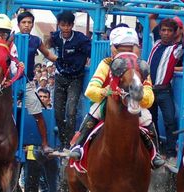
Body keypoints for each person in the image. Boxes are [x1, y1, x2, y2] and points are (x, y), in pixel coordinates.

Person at [68, 27, 165, 169]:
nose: (126, 53)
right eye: (121, 49)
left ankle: (154, 154)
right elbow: (90, 90)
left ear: (137, 48)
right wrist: (105, 91)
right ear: (113, 48)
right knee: (94, 113)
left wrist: (140, 96)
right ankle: (79, 146)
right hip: (110, 101)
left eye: (130, 48)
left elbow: (149, 97)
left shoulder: (142, 67)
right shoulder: (106, 64)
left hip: (134, 104)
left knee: (147, 118)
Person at [48, 11, 91, 150]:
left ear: (72, 25)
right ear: (59, 25)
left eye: (68, 25)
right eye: (63, 25)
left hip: (75, 78)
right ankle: (62, 141)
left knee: (71, 111)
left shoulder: (81, 39)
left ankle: (69, 144)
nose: (66, 28)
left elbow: (92, 51)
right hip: (60, 77)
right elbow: (47, 46)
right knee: (58, 113)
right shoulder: (55, 37)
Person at [16, 11, 56, 154]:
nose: (27, 25)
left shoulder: (36, 40)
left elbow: (47, 54)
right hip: (10, 82)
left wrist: (61, 61)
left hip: (26, 82)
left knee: (38, 112)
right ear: (18, 24)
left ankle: (45, 144)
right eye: (24, 22)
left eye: (29, 22)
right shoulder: (11, 38)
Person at [147, 17, 184, 165]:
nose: (166, 33)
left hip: (164, 91)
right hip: (149, 89)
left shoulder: (177, 49)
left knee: (170, 121)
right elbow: (151, 17)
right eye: (163, 30)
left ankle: (170, 153)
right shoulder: (156, 42)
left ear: (175, 33)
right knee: (150, 121)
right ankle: (154, 150)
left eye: (169, 30)